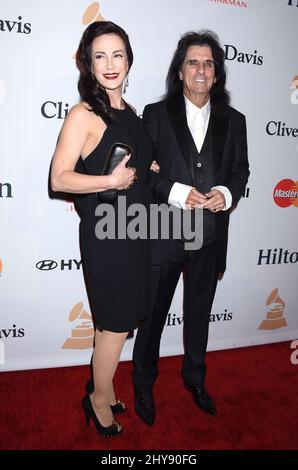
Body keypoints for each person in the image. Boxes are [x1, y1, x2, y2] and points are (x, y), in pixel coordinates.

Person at [132, 30, 250, 425]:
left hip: (210, 235)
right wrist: (177, 191)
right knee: (152, 316)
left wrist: (225, 194)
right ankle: (143, 384)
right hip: (163, 233)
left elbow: (240, 171)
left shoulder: (234, 121)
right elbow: (141, 177)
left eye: (208, 63)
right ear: (180, 71)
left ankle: (195, 379)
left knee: (200, 313)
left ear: (216, 74)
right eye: (193, 62)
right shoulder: (154, 114)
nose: (200, 70)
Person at [51, 21, 153, 436]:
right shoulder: (84, 113)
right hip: (108, 235)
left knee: (113, 322)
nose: (110, 64)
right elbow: (60, 178)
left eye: (117, 55)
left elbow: (135, 164)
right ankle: (97, 400)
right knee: (115, 324)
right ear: (88, 66)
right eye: (100, 56)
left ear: (129, 61)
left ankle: (104, 388)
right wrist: (109, 182)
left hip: (135, 230)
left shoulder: (130, 112)